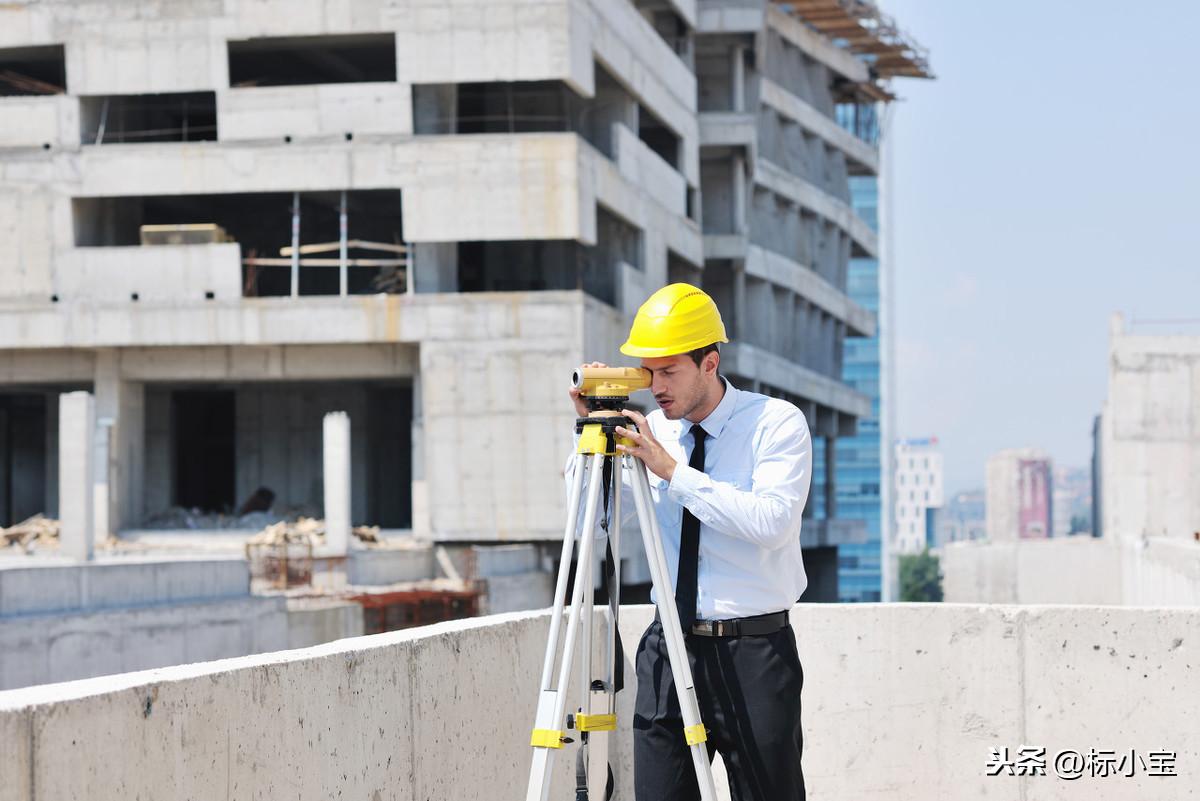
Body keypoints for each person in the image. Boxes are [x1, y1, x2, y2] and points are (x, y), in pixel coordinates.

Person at [566, 283, 812, 801]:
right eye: (648, 372)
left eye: (670, 371)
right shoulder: (651, 429)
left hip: (753, 652)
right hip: (667, 646)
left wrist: (673, 472)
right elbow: (591, 518)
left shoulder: (775, 424)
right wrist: (589, 437)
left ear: (709, 363)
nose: (656, 386)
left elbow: (773, 523)